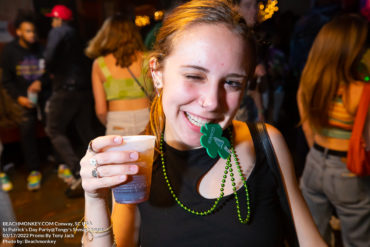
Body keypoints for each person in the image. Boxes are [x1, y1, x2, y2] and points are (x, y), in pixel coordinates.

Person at [80, 0, 326, 246]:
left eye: (232, 82)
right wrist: (94, 199)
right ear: (157, 73)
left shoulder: (267, 143)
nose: (211, 102)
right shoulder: (137, 163)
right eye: (194, 76)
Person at [297, 14, 370, 247]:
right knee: (358, 239)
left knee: (313, 235)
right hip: (347, 170)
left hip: (314, 161)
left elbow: (308, 126)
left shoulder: (311, 82)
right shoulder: (362, 90)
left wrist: (319, 154)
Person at [44, 5, 96, 194]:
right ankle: (99, 169)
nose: (52, 22)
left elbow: (49, 57)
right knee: (85, 131)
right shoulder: (77, 35)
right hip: (83, 90)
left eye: (53, 19)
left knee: (54, 129)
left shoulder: (58, 31)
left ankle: (77, 172)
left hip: (66, 90)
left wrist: (48, 71)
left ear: (58, 19)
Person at [0, 11, 47, 191]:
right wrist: (19, 97)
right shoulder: (10, 52)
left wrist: (41, 82)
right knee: (26, 131)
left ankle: (61, 165)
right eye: (28, 31)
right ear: (18, 32)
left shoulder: (41, 49)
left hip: (43, 98)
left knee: (52, 127)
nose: (32, 35)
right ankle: (34, 170)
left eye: (33, 31)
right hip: (22, 100)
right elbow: (6, 81)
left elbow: (49, 74)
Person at [85, 13, 152, 136]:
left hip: (117, 123)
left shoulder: (99, 64)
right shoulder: (148, 60)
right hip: (147, 122)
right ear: (134, 34)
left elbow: (101, 111)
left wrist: (111, 123)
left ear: (106, 35)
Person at [233, 0, 265, 123]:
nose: (254, 10)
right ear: (234, 7)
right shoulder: (230, 38)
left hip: (247, 110)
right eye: (247, 5)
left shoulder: (251, 38)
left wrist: (260, 111)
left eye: (256, 4)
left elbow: (253, 88)